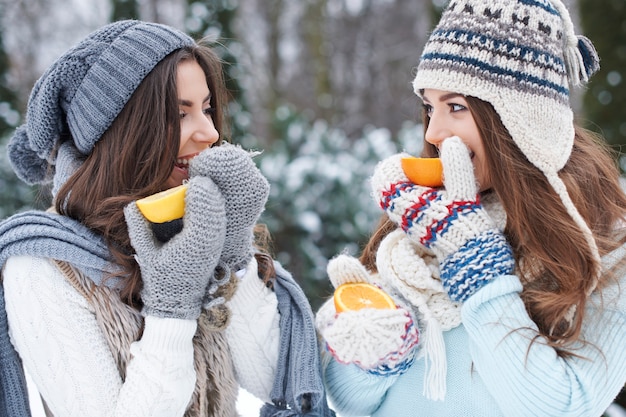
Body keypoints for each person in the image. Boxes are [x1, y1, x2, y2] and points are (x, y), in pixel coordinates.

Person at [0, 20, 334, 417]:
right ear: (121, 132)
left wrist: (233, 249)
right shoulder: (44, 266)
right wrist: (172, 306)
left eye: (208, 109)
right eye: (180, 114)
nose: (209, 132)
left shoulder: (193, 222)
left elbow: (271, 382)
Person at [315, 0, 626, 415]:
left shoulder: (608, 247)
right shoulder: (422, 226)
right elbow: (349, 402)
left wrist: (476, 264)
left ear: (520, 120)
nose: (434, 131)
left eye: (455, 107)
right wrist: (381, 342)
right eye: (429, 106)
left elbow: (563, 405)